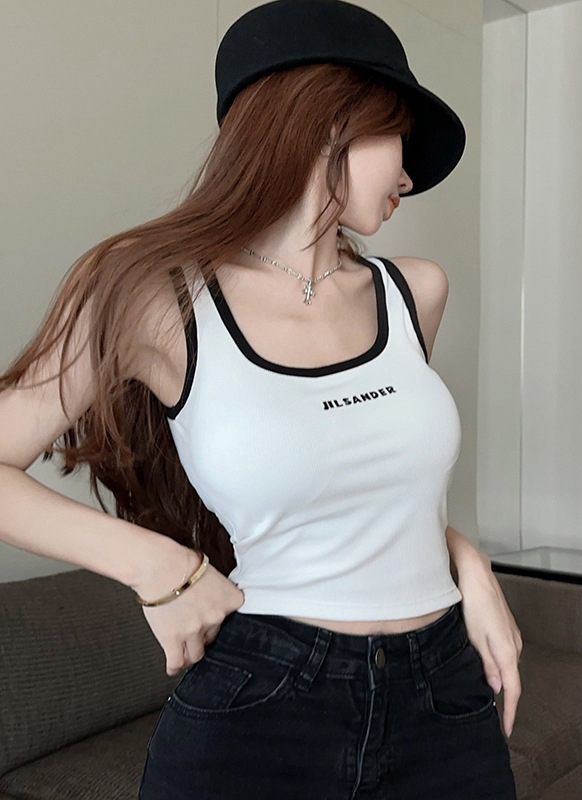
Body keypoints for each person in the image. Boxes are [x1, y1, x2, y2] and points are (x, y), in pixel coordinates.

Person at [0, 0, 523, 797]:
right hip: (266, 701)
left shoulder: (414, 291)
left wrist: (469, 563)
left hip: (446, 690)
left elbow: (365, 493)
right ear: (331, 121)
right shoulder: (151, 295)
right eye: (399, 139)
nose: (409, 177)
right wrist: (156, 567)